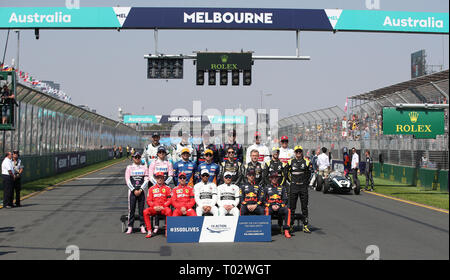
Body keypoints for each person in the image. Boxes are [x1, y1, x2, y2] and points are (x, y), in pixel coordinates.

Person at [285, 146, 311, 233]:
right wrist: (290, 181)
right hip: (294, 187)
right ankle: (291, 225)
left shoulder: (306, 162)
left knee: (304, 207)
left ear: (302, 152)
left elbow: (308, 174)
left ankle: (305, 225)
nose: (298, 153)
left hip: (303, 187)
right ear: (295, 153)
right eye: (297, 152)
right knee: (292, 207)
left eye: (300, 151)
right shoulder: (290, 161)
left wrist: (306, 183)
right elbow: (285, 173)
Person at [124, 152, 149, 234]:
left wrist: (141, 189)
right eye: (136, 157)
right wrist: (134, 190)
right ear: (133, 158)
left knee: (142, 209)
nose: (137, 158)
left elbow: (146, 180)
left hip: (142, 191)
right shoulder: (129, 167)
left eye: (139, 157)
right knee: (131, 209)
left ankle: (142, 226)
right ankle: (130, 226)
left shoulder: (144, 167)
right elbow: (127, 180)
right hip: (132, 191)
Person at [143, 172, 172, 238]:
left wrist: (163, 206)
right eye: (158, 177)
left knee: (169, 211)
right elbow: (148, 200)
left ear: (163, 178)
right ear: (156, 179)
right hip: (154, 208)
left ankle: (167, 231)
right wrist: (154, 206)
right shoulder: (151, 189)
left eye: (161, 177)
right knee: (145, 212)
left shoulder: (168, 188)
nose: (160, 179)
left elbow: (170, 200)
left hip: (163, 208)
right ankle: (149, 231)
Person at [264, 172, 292, 238]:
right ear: (270, 179)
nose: (274, 179)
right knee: (267, 210)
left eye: (276, 177)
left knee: (288, 210)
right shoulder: (266, 188)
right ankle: (267, 230)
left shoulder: (282, 187)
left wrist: (279, 205)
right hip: (270, 207)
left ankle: (286, 230)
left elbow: (285, 199)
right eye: (272, 177)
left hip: (279, 207)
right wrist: (270, 205)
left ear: (278, 178)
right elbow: (263, 200)